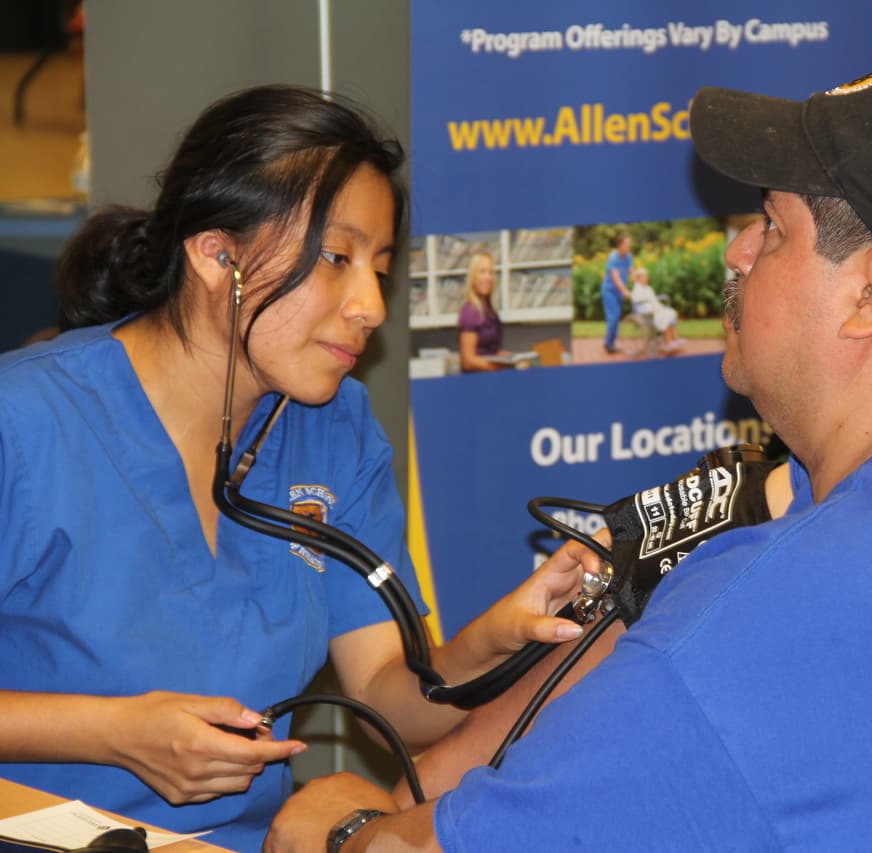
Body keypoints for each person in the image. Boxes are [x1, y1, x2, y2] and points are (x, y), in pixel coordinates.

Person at [267, 59, 872, 851]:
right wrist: (434, 771)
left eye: (770, 225)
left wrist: (349, 822)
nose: (734, 250)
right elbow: (664, 609)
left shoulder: (747, 635)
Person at [0, 85, 585, 852]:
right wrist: (113, 732)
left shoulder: (334, 430)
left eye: (379, 266)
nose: (371, 305)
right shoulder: (28, 419)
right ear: (217, 256)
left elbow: (386, 696)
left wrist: (497, 642)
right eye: (336, 258)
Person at [455, 249, 508, 372]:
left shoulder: (490, 311)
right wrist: (499, 367)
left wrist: (513, 359)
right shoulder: (470, 312)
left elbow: (490, 351)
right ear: (473, 277)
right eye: (482, 272)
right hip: (477, 382)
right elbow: (468, 361)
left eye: (490, 272)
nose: (487, 277)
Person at [629, 265, 684, 354]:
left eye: (646, 276)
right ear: (639, 278)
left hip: (653, 309)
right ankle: (668, 342)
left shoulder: (648, 288)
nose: (646, 278)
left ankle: (674, 339)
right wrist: (652, 305)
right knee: (665, 315)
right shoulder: (637, 289)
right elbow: (636, 300)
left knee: (670, 313)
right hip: (646, 312)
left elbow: (654, 300)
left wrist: (658, 306)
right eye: (644, 277)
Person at [599, 232, 632, 354]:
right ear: (620, 246)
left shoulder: (628, 256)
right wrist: (624, 291)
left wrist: (640, 285)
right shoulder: (613, 257)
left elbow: (631, 272)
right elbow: (615, 278)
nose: (629, 247)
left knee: (616, 317)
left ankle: (610, 343)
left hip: (618, 291)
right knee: (613, 317)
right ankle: (608, 343)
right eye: (627, 244)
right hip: (609, 291)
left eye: (630, 244)